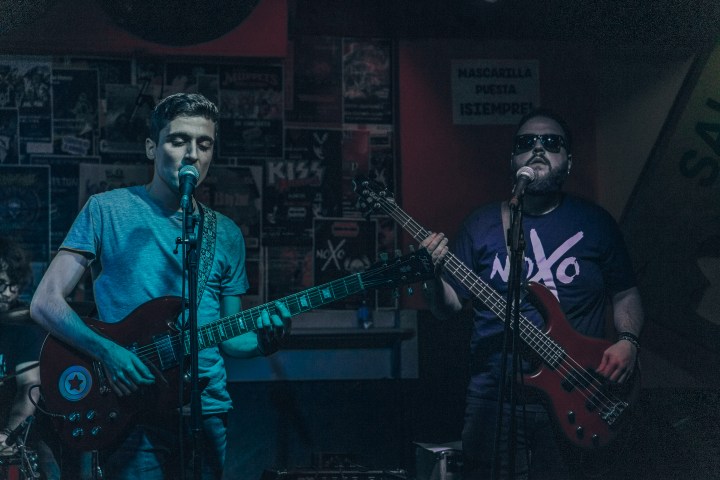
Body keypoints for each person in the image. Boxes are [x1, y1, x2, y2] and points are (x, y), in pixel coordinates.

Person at [30, 93, 291, 480]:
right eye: (178, 140)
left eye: (204, 144)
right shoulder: (107, 210)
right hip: (133, 406)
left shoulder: (226, 233)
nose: (192, 154)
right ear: (152, 147)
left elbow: (230, 337)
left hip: (206, 408)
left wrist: (264, 343)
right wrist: (108, 353)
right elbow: (45, 302)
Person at [420, 108, 644, 479]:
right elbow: (449, 306)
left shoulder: (596, 223)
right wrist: (430, 277)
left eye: (551, 143)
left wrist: (628, 341)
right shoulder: (481, 224)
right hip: (494, 397)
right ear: (513, 160)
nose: (538, 149)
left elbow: (625, 293)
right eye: (527, 142)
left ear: (568, 162)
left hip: (578, 390)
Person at [0, 237, 60, 479]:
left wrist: (8, 433)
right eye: (1, 283)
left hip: (22, 432)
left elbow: (29, 386)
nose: (9, 292)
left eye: (14, 284)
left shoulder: (24, 326)